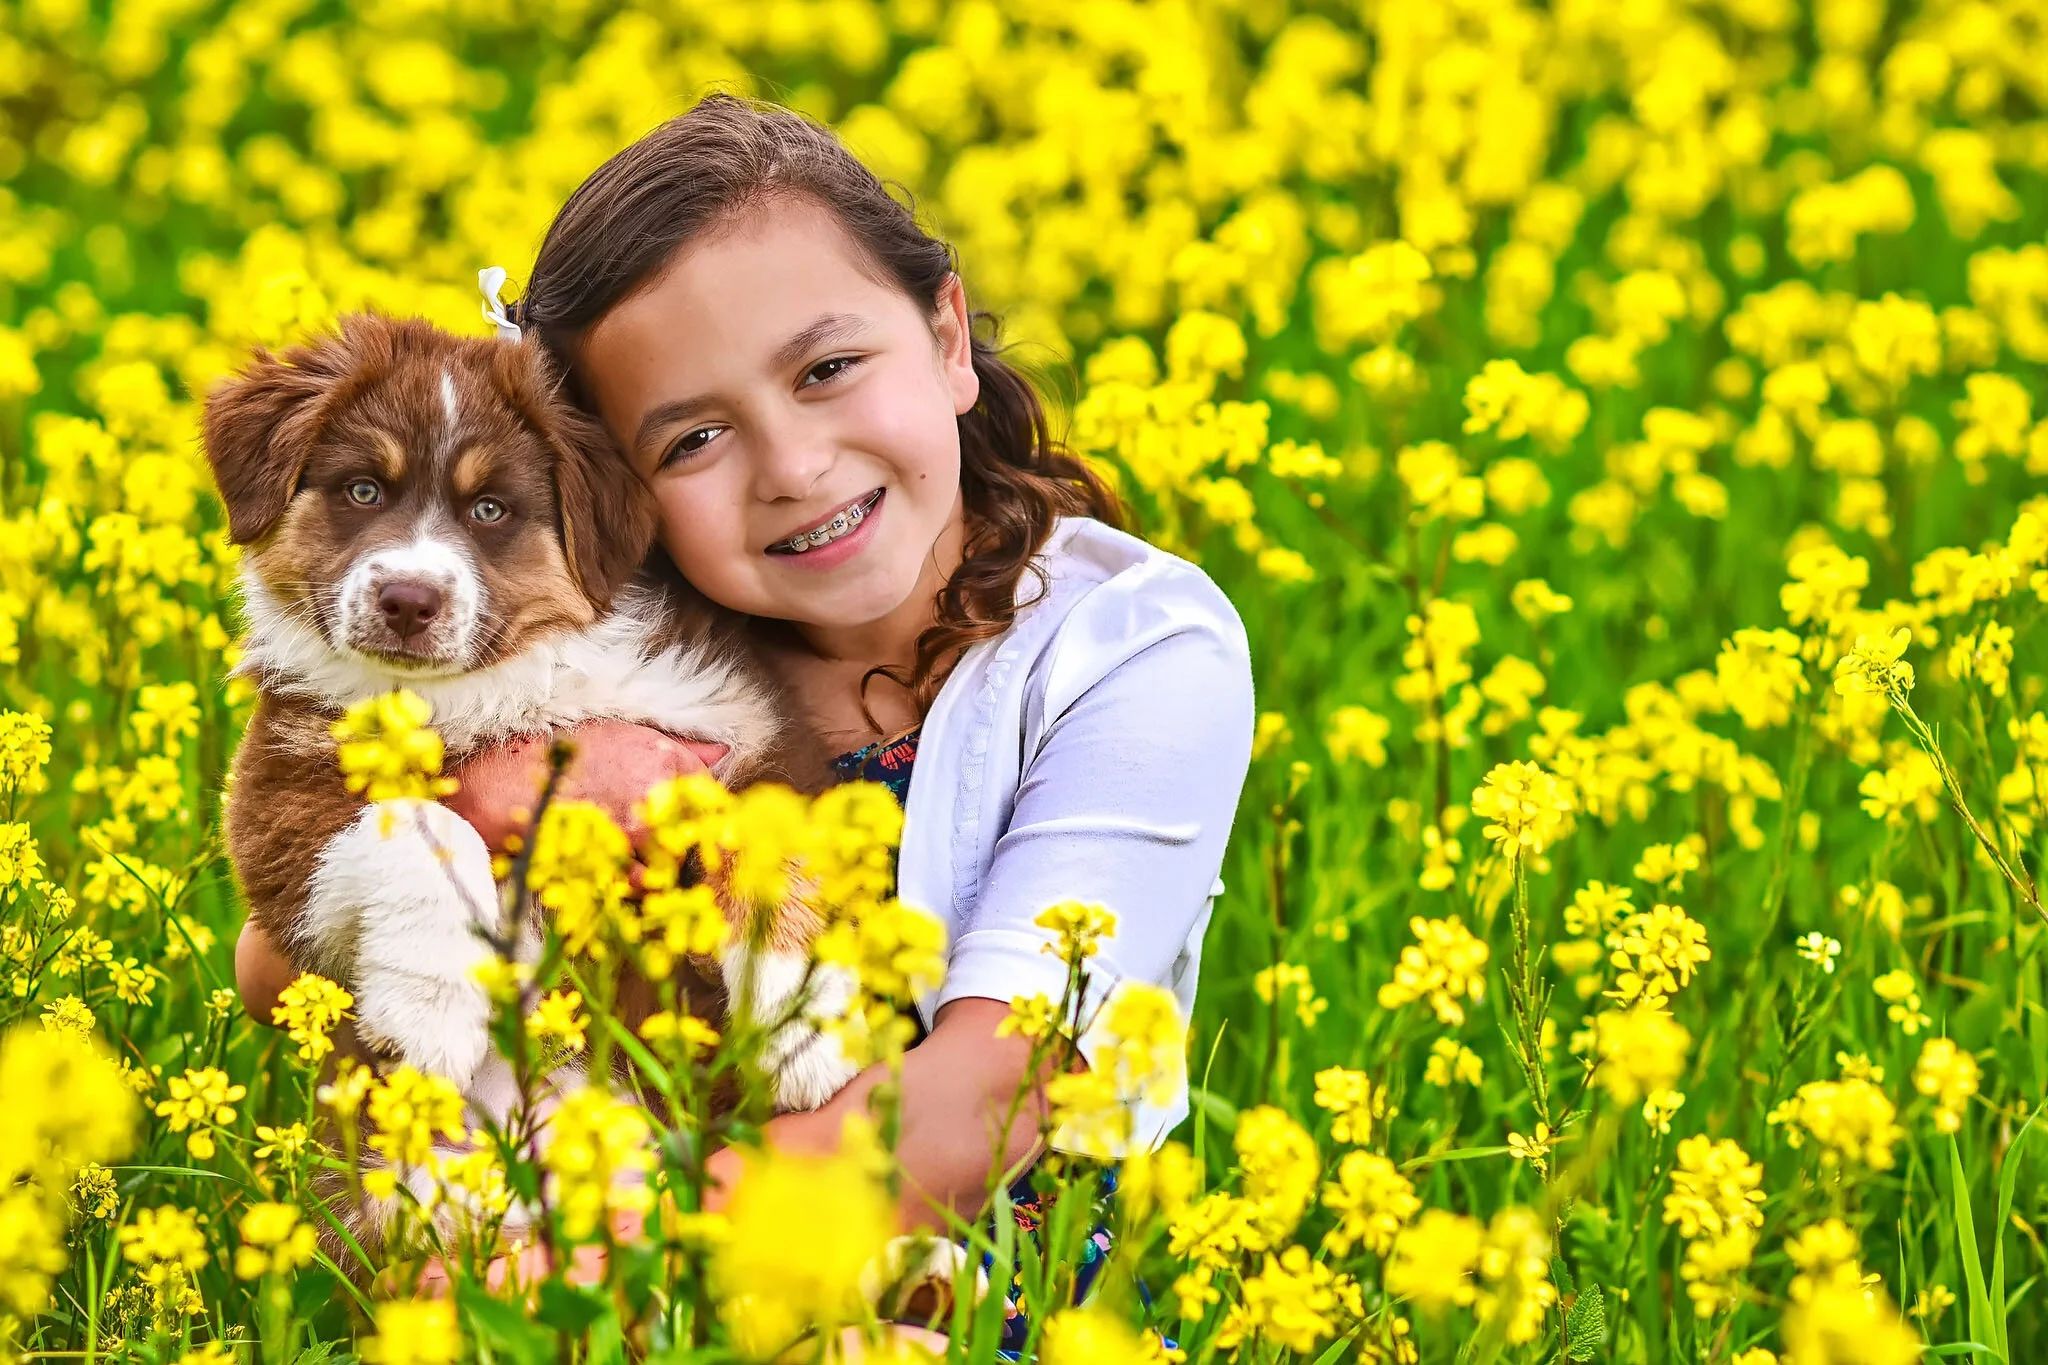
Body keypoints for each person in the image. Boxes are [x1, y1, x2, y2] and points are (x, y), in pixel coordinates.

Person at [234, 92, 1255, 1343]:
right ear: (613, 492)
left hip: (990, 1247)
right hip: (563, 1213)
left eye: (828, 369)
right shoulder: (593, 638)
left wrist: (622, 1231)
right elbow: (275, 969)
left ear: (945, 335)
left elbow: (997, 1089)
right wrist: (503, 803)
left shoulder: (1130, 648)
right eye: (695, 437)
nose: (789, 466)